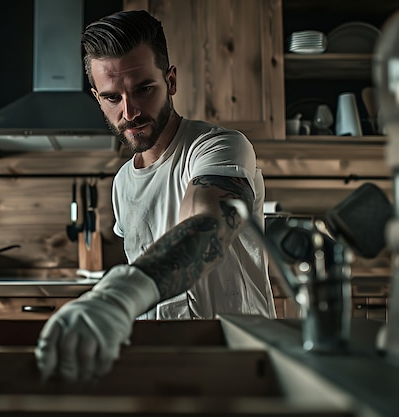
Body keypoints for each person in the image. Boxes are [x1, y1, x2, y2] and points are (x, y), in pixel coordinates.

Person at [35, 9, 276, 383]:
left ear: (171, 80)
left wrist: (117, 295)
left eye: (143, 89)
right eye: (112, 97)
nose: (129, 112)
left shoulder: (218, 147)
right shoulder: (121, 184)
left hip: (239, 362)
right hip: (159, 365)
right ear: (97, 98)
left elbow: (206, 225)